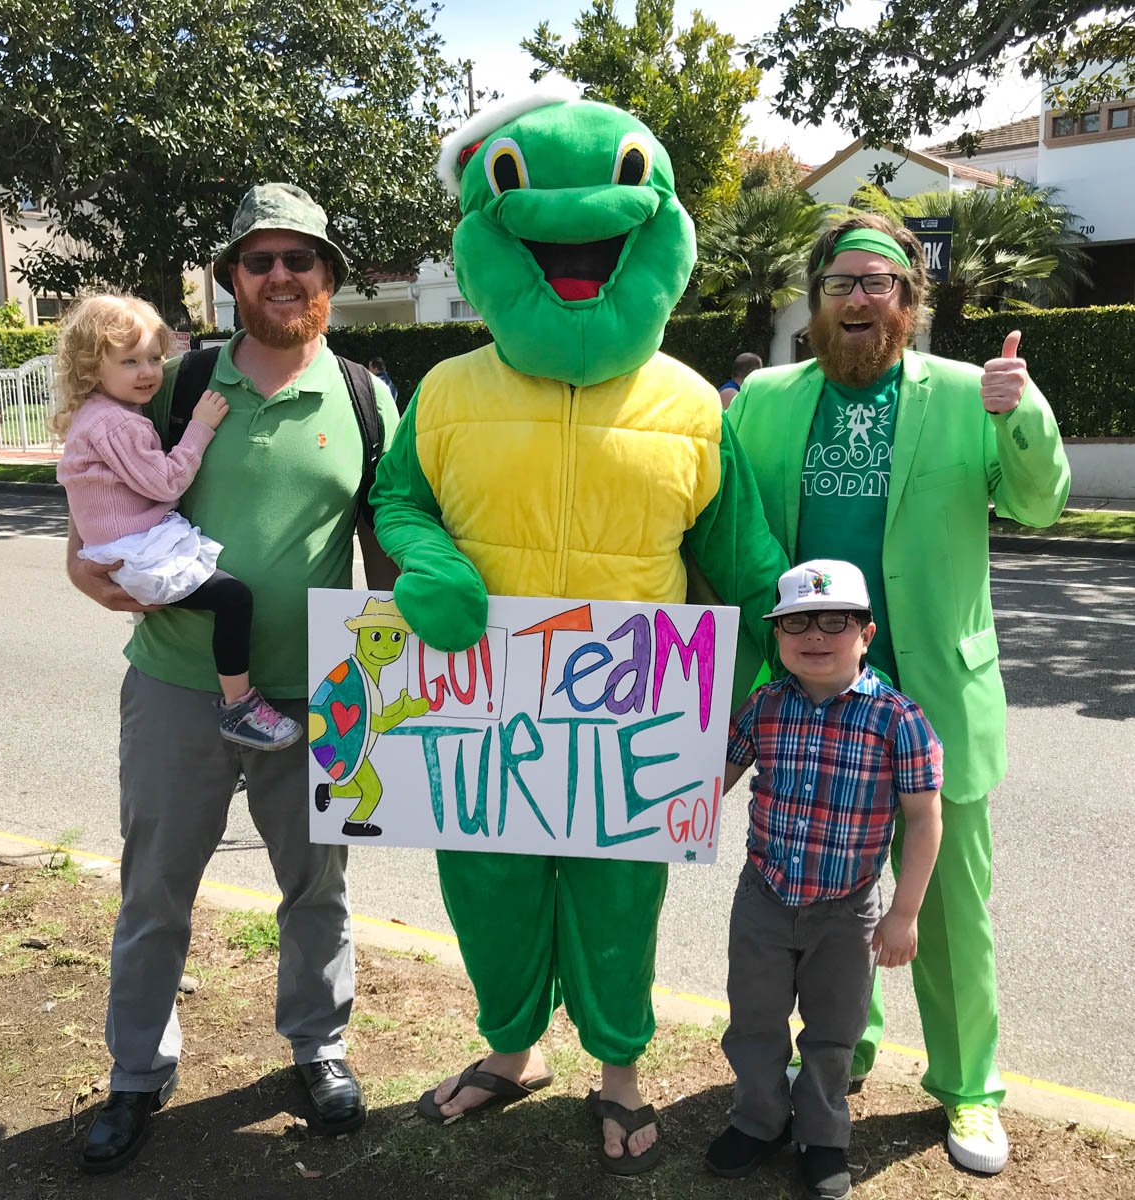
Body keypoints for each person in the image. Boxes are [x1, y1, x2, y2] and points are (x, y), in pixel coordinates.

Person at [371, 77, 786, 1176]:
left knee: (615, 901)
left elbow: (744, 568)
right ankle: (510, 1050)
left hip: (627, 722)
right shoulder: (446, 391)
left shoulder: (697, 405)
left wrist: (734, 712)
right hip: (476, 717)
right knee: (489, 893)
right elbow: (398, 500)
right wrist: (427, 561)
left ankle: (618, 1070)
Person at [726, 213, 1071, 1174]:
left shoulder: (970, 394)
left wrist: (1026, 409)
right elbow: (730, 521)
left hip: (929, 694)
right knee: (831, 895)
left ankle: (969, 1090)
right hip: (806, 693)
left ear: (910, 301)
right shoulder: (763, 399)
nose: (860, 298)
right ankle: (850, 1054)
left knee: (951, 909)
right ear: (816, 301)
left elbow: (1041, 503)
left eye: (880, 282)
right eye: (840, 283)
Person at [67, 182, 400, 1174]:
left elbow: (385, 545)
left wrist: (420, 645)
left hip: (321, 693)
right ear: (232, 280)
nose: (283, 275)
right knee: (156, 889)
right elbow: (99, 501)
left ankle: (318, 1045)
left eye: (302, 258)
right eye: (260, 260)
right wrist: (81, 567)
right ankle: (136, 1074)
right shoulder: (178, 383)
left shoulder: (364, 397)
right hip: (176, 684)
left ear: (328, 278)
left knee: (317, 887)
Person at [707, 559, 942, 1200]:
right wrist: (652, 816)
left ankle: (822, 1133)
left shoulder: (898, 719)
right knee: (753, 1018)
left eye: (834, 621)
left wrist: (904, 913)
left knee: (834, 1031)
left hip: (848, 909)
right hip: (763, 895)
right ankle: (759, 1120)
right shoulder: (765, 705)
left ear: (865, 633)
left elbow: (923, 819)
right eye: (796, 623)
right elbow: (716, 777)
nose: (814, 635)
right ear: (778, 637)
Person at [54, 293, 302, 752]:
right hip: (137, 549)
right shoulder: (116, 424)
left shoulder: (104, 414)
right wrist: (201, 426)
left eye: (153, 357)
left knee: (227, 595)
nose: (148, 372)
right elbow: (165, 483)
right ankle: (240, 705)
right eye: (130, 361)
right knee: (233, 598)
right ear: (92, 367)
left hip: (131, 542)